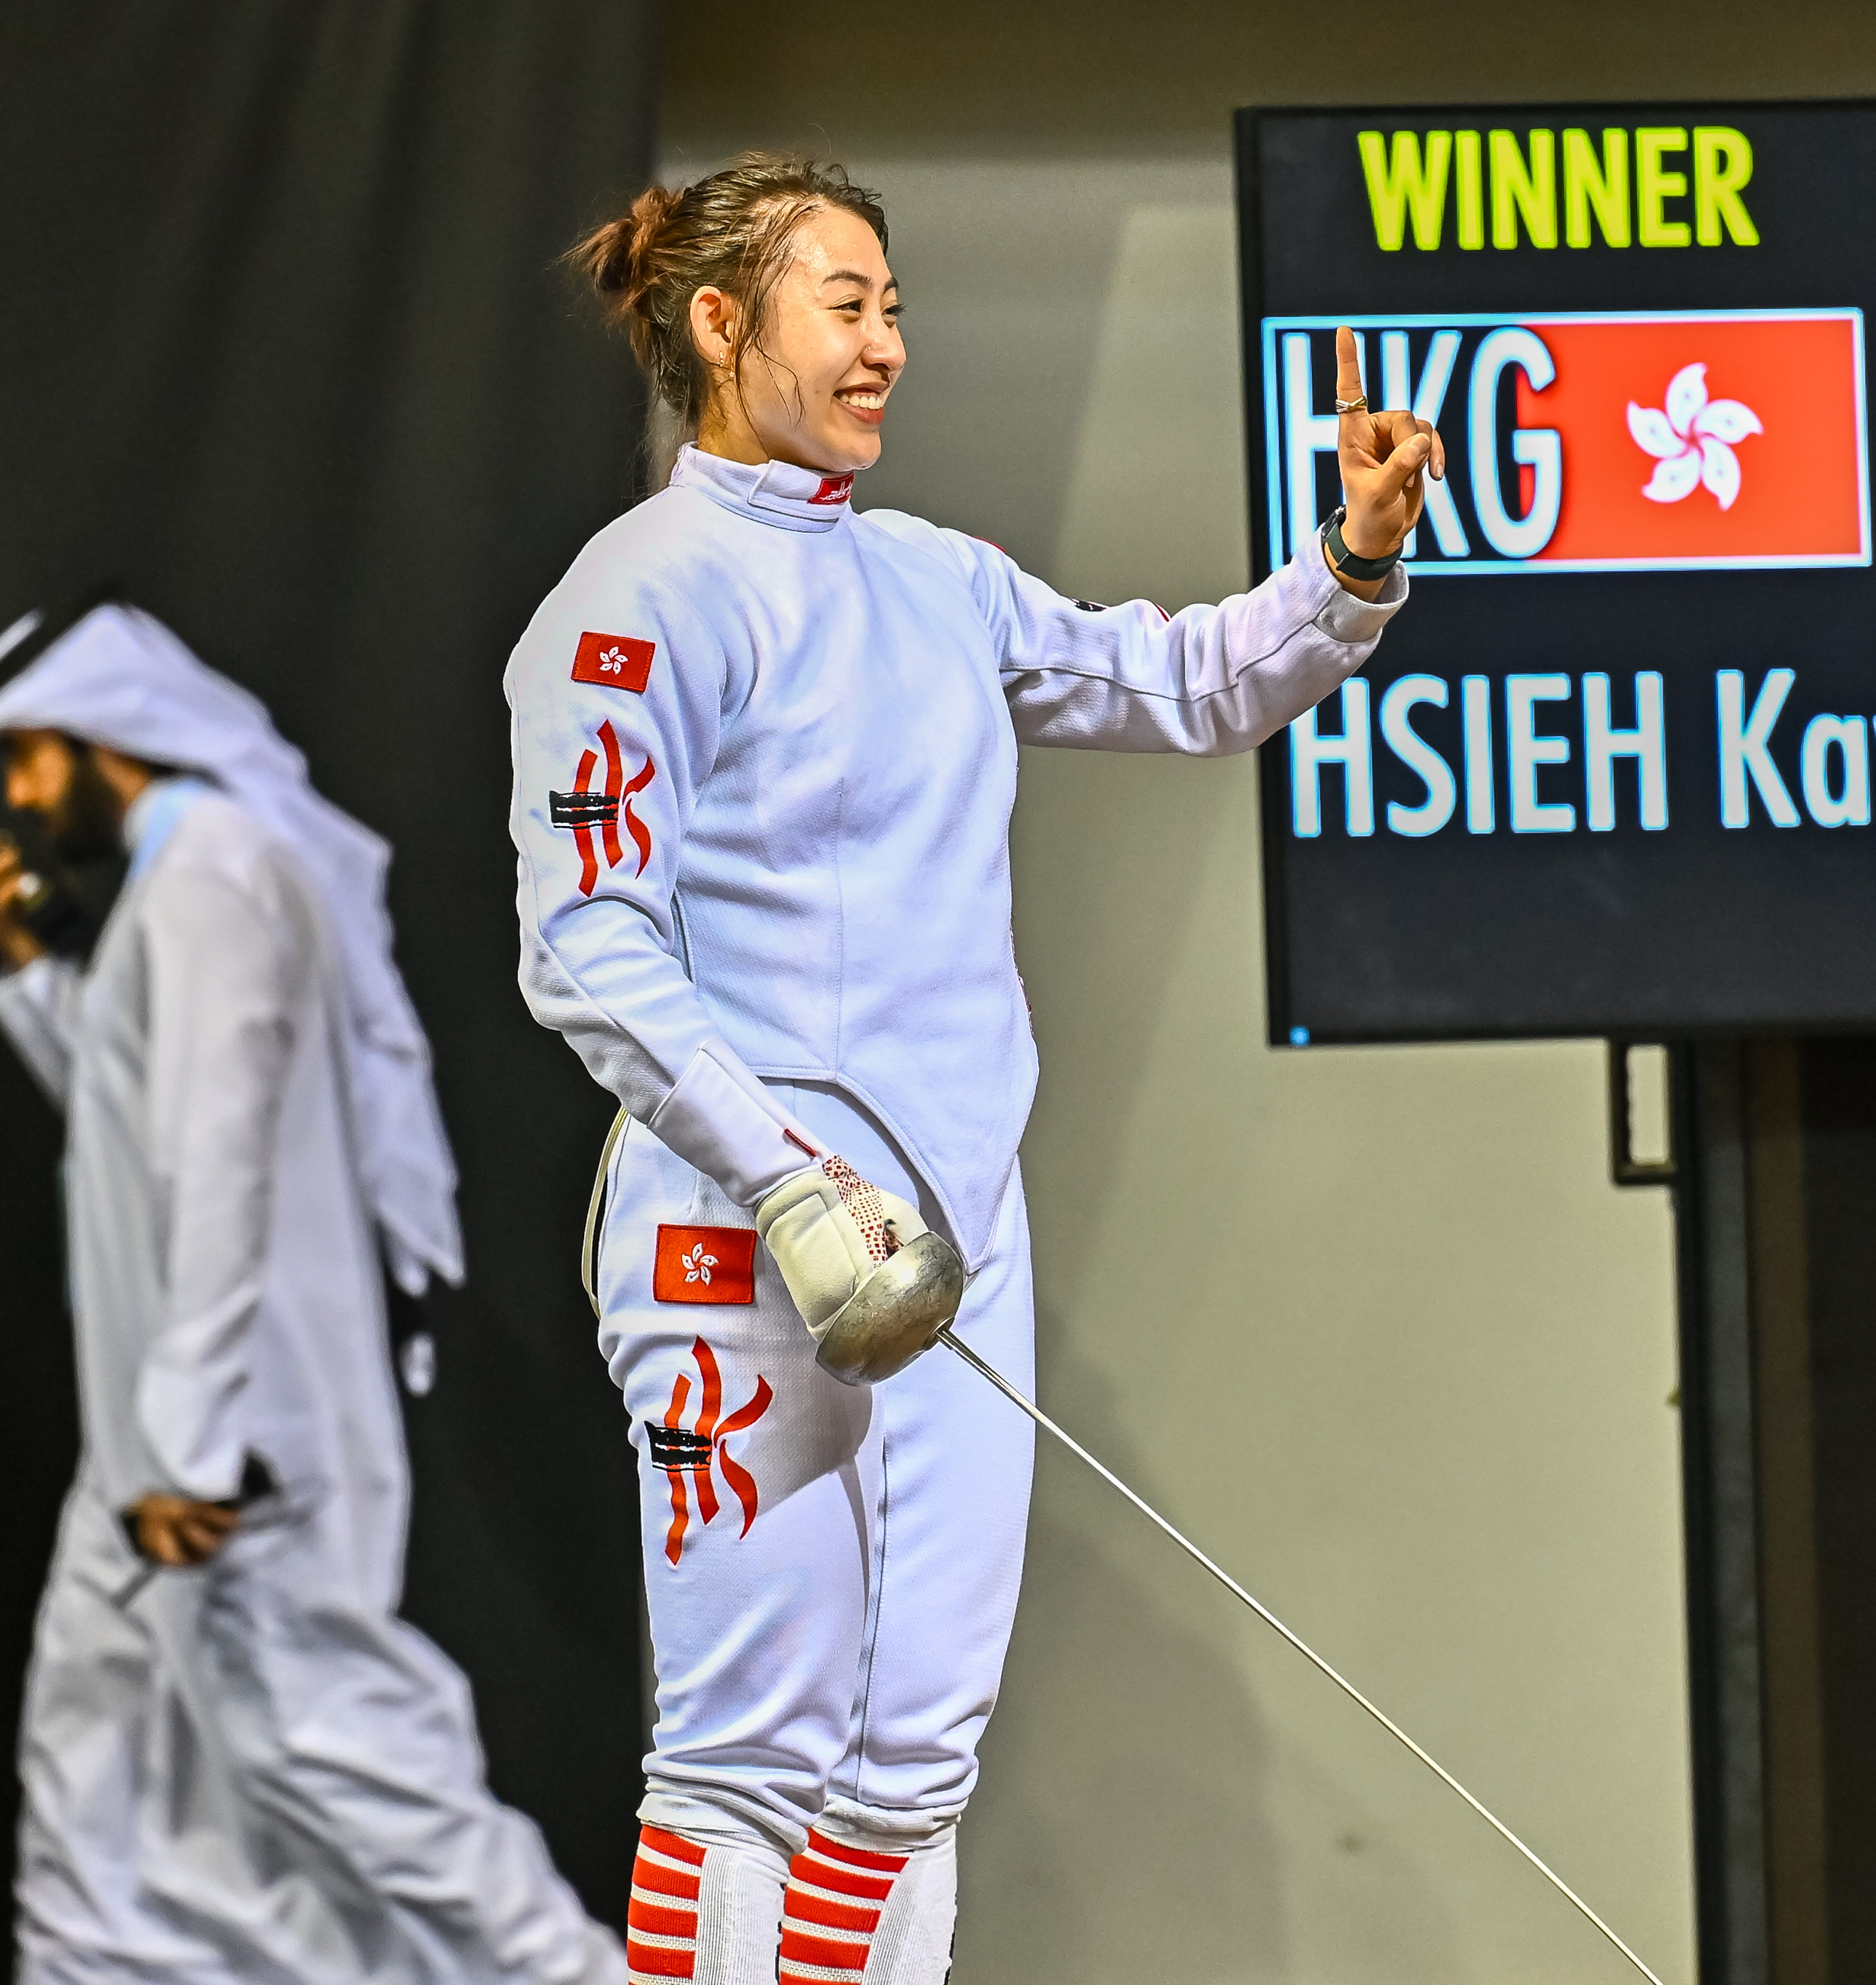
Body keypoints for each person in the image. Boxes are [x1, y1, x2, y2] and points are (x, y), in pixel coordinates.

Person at [507, 155, 1438, 1985]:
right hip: (739, 1242)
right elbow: (585, 940)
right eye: (843, 305)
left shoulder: (934, 582)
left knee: (913, 1754)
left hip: (956, 1237)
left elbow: (1181, 682)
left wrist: (1350, 563)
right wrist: (779, 1174)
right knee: (746, 1753)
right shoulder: (635, 600)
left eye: (894, 306)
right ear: (720, 324)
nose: (886, 345)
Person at [0, 598, 617, 1985]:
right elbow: (143, 1141)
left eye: (29, 758)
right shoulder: (181, 885)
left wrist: (192, 1445)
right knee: (110, 1799)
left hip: (229, 1453)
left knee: (355, 1771)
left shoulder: (213, 877)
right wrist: (37, 979)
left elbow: (217, 1174)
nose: (19, 797)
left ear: (106, 735)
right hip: (161, 1443)